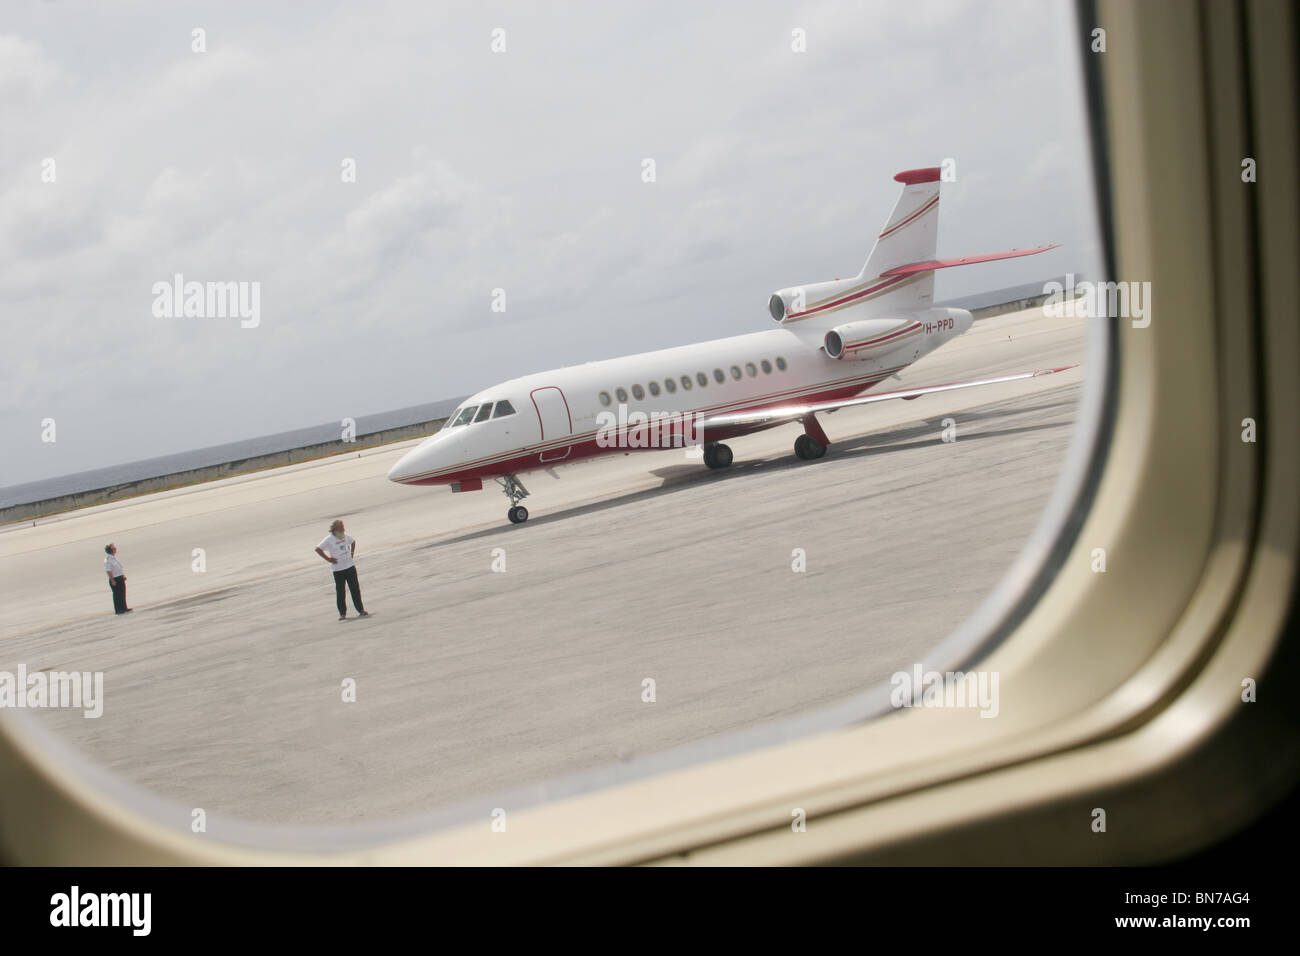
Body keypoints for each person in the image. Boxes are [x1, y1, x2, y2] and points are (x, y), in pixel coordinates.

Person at [315, 519, 369, 620]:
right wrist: (328, 559)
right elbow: (318, 549)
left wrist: (352, 553)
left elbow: (353, 542)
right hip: (338, 570)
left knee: (355, 589)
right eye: (342, 527)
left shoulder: (345, 536)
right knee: (340, 591)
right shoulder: (329, 539)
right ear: (336, 529)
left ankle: (361, 609)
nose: (344, 529)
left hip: (350, 567)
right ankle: (342, 613)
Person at [104, 543, 132, 615]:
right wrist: (112, 580)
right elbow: (108, 570)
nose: (115, 549)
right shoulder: (108, 560)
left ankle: (124, 608)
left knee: (122, 593)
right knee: (117, 595)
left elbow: (118, 568)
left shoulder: (114, 557)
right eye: (114, 548)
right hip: (115, 579)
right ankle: (118, 610)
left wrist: (122, 575)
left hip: (120, 577)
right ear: (111, 550)